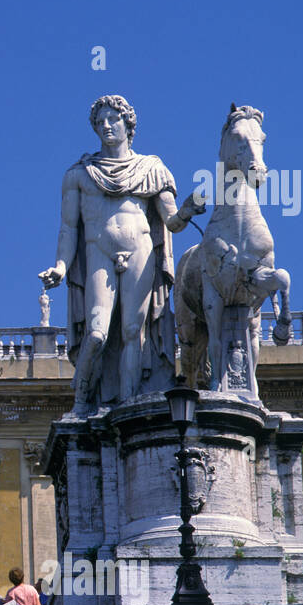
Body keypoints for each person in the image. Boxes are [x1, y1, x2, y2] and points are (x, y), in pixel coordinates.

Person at [38, 94, 204, 415]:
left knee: (133, 332)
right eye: (99, 121)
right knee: (97, 332)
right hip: (98, 252)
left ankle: (128, 407)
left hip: (140, 251)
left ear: (128, 123)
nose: (105, 125)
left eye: (112, 118)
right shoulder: (79, 175)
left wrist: (186, 210)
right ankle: (83, 398)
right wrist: (60, 265)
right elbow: (69, 228)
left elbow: (171, 221)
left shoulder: (152, 168)